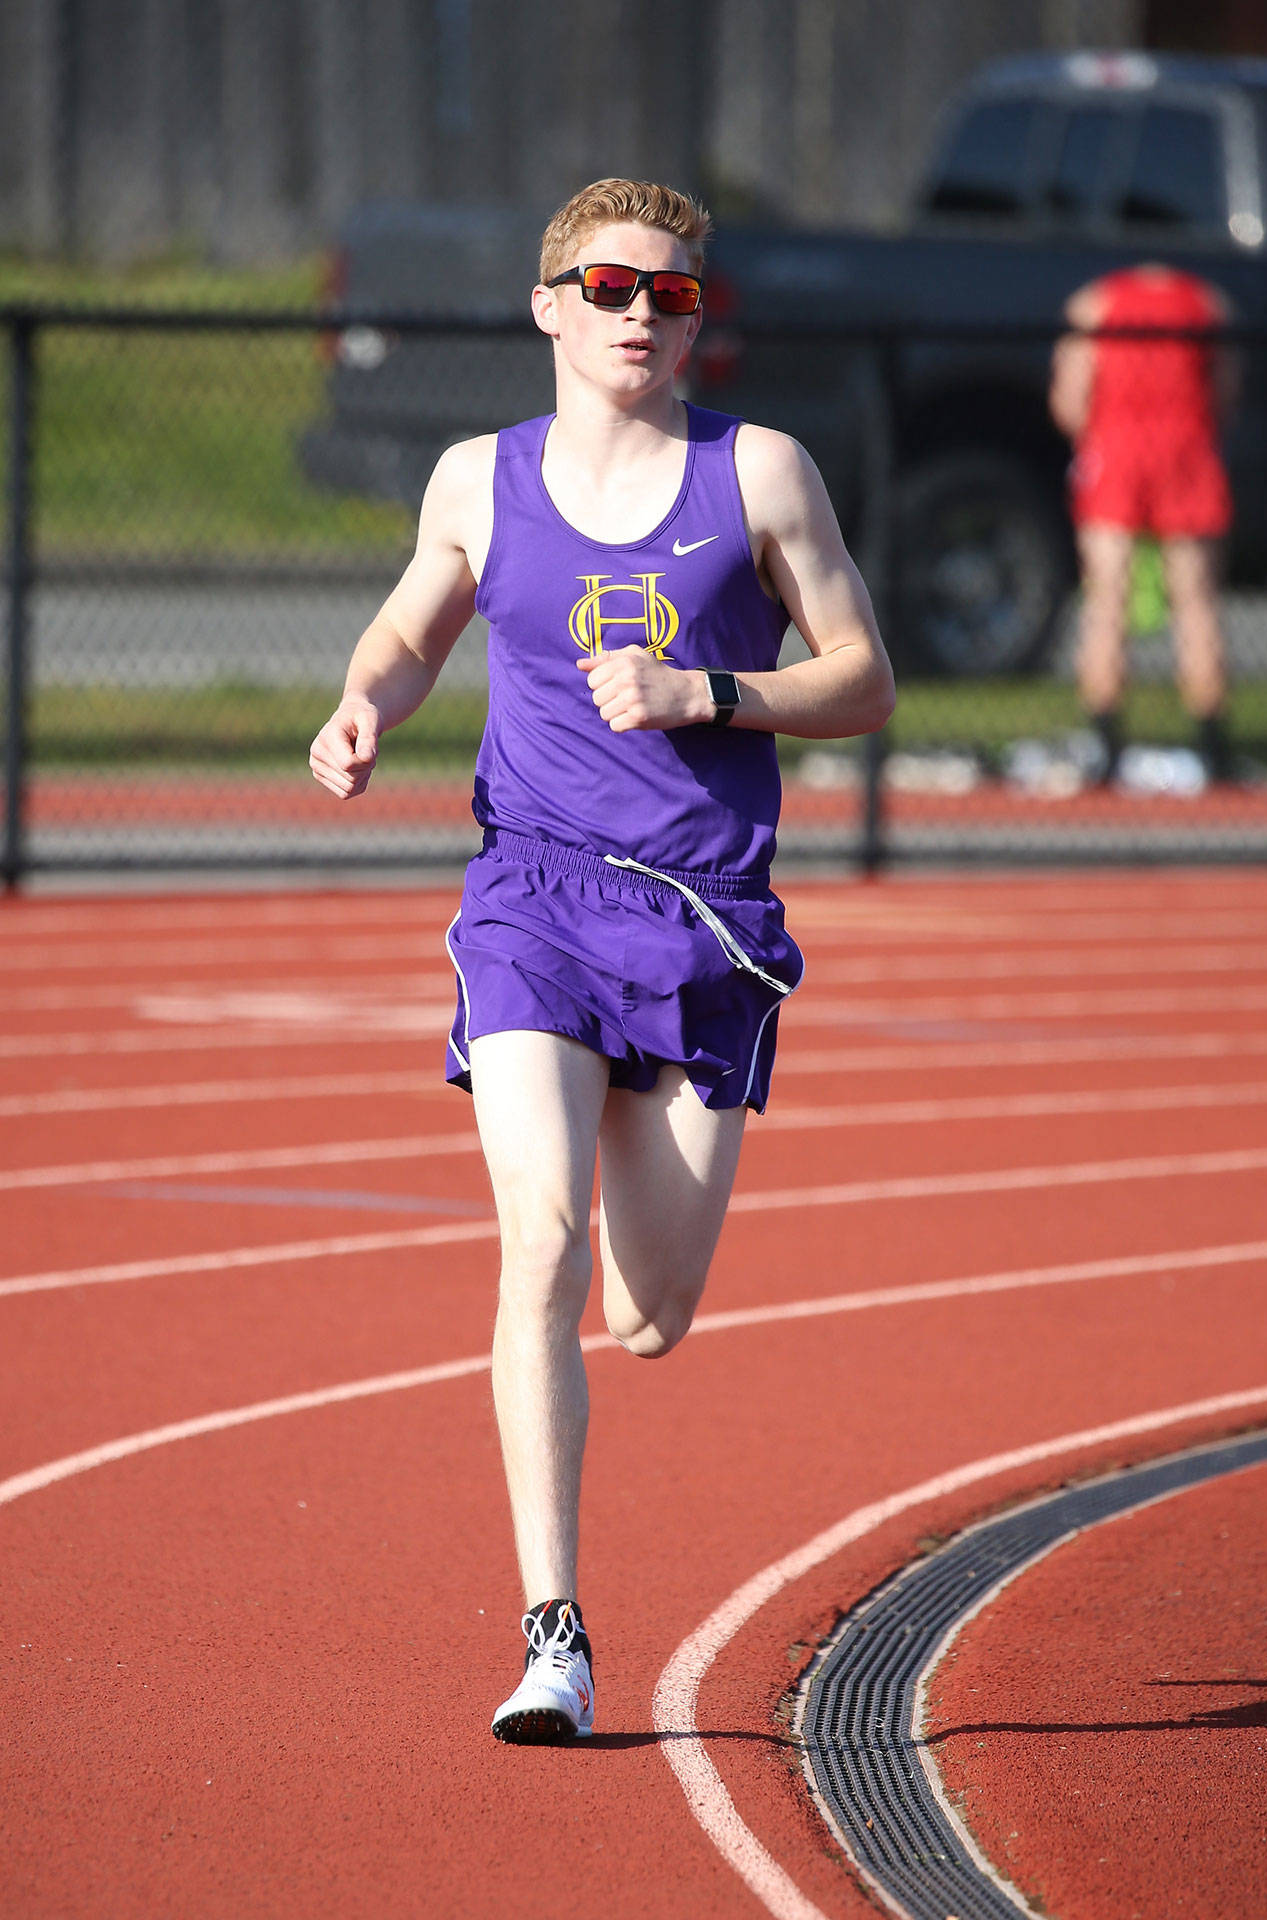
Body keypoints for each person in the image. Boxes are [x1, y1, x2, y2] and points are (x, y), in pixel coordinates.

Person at [309, 178, 894, 1744]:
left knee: (648, 1314)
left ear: (697, 323)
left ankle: (642, 1171)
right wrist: (364, 702)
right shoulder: (478, 479)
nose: (642, 314)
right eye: (613, 287)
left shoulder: (758, 472)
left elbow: (863, 679)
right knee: (542, 1238)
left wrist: (712, 694)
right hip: (534, 898)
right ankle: (554, 1636)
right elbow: (409, 634)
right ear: (550, 307)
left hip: (705, 922)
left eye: (672, 294)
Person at [1048, 262, 1238, 784]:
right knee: (1196, 602)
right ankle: (1213, 747)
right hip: (1186, 449)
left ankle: (1106, 743)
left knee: (1105, 600)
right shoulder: (1209, 303)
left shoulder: (1094, 303)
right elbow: (1224, 391)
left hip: (1117, 448)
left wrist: (1094, 438)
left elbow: (1070, 397)